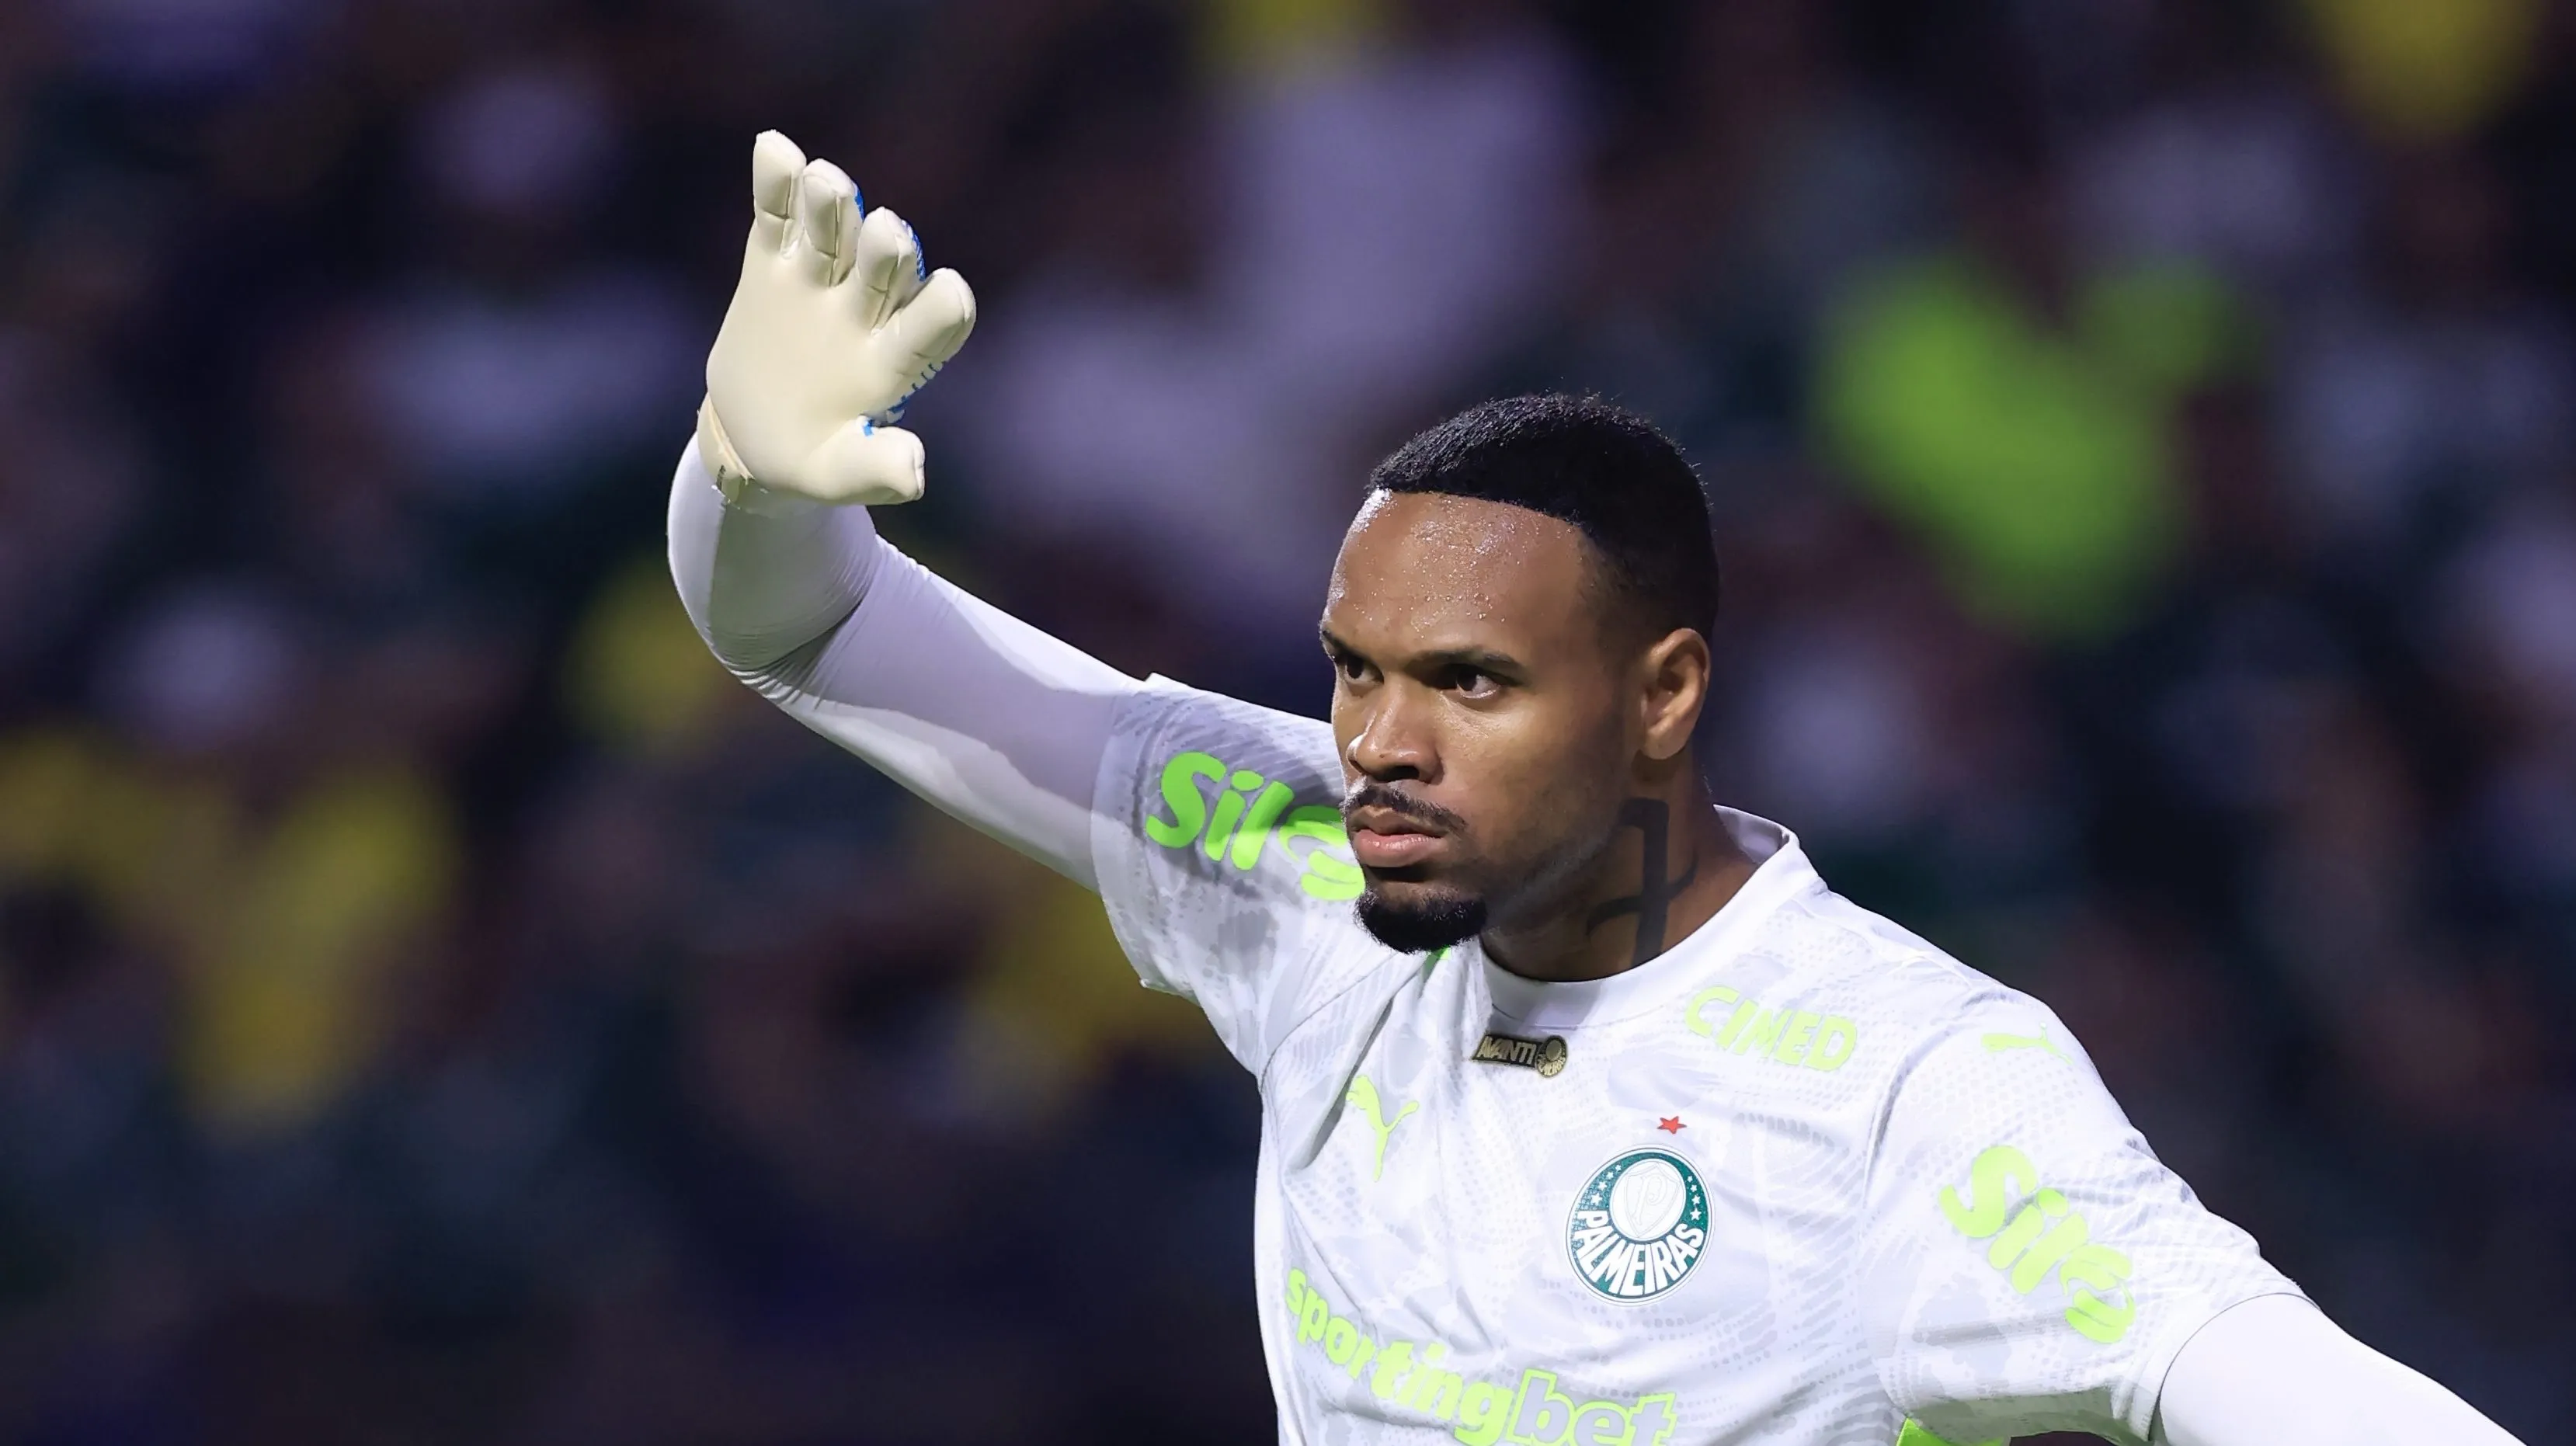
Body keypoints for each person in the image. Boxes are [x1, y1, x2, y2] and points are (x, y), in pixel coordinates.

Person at [667, 132, 2523, 1446]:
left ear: (1663, 694)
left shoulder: (1901, 1085)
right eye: (1353, 671)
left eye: (1469, 683)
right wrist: (745, 485)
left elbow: (2266, 1382)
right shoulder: (1300, 865)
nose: (1382, 740)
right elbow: (815, 636)